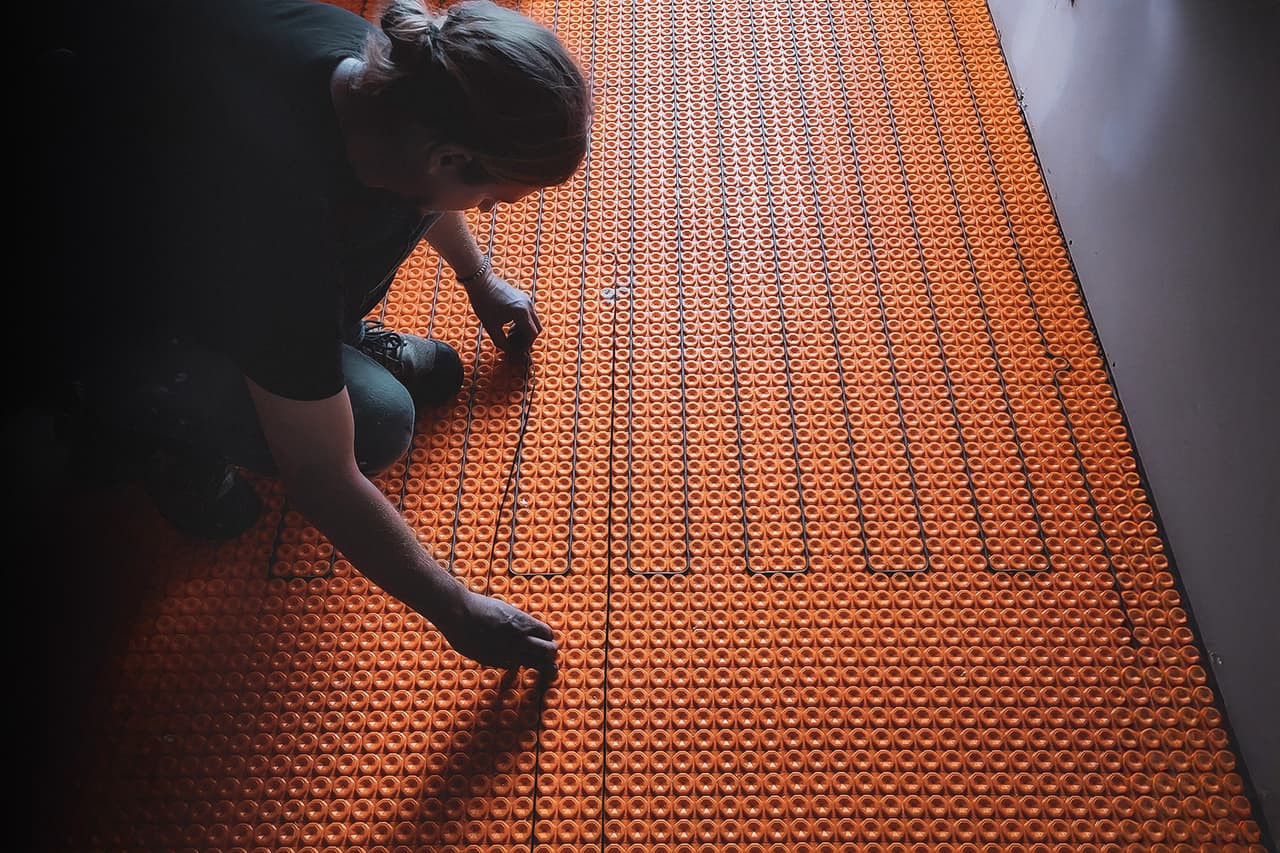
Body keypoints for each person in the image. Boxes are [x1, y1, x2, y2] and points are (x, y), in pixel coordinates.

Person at [29, 0, 593, 676]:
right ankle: (165, 435)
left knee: (403, 198)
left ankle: (331, 339)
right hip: (90, 303)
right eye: (496, 196)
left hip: (163, 194)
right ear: (452, 156)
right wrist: (458, 609)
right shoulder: (276, 235)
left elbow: (430, 188)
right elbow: (322, 479)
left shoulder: (388, 74)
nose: (492, 209)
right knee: (376, 424)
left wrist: (480, 280)